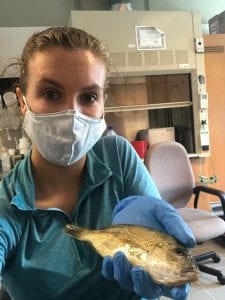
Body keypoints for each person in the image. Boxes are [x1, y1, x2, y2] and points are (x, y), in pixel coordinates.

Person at [0, 26, 195, 300]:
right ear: (22, 101)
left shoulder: (118, 155)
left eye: (89, 97)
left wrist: (165, 266)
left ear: (103, 104)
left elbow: (156, 243)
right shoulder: (7, 203)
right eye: (51, 94)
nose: (72, 113)